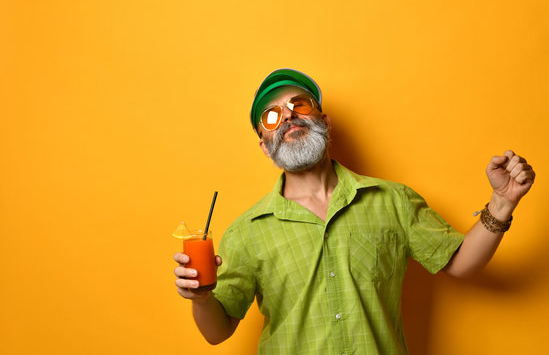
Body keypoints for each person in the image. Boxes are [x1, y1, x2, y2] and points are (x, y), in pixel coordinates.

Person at [174, 68, 535, 354]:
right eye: (271, 117)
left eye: (299, 104)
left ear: (324, 122)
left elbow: (460, 262)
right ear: (265, 148)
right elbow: (217, 333)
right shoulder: (247, 230)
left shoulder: (392, 201)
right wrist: (201, 299)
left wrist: (502, 202)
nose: (287, 116)